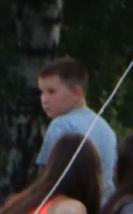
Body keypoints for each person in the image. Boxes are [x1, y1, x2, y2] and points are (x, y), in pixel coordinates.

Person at [36, 57, 117, 194]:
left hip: (68, 203)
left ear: (77, 92)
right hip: (103, 204)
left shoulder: (61, 125)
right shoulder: (105, 128)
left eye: (51, 92)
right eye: (41, 92)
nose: (44, 99)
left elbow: (47, 180)